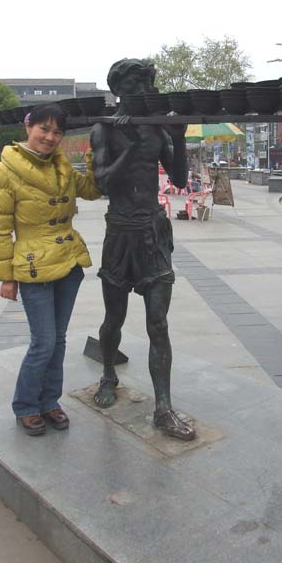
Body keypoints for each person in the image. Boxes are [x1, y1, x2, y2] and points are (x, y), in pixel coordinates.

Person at [90, 58, 196, 441]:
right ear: (119, 90)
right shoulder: (104, 129)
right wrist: (130, 148)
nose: (144, 92)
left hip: (152, 231)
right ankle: (108, 374)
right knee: (114, 318)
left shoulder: (156, 127)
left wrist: (178, 137)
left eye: (148, 85)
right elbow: (101, 182)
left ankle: (163, 408)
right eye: (135, 86)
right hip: (120, 233)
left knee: (158, 323)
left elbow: (180, 179)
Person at [0, 105, 101, 436]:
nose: (50, 137)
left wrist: (96, 152)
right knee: (44, 342)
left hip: (68, 262)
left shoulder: (62, 167)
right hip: (33, 267)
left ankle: (50, 400)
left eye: (57, 132)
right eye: (44, 129)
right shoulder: (3, 172)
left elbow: (93, 190)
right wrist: (7, 277)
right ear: (28, 127)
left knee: (59, 340)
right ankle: (26, 405)